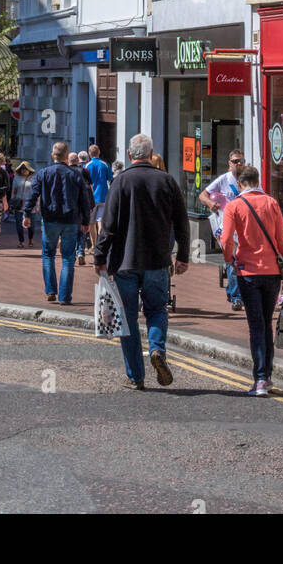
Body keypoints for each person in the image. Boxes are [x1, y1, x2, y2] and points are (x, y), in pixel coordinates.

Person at [93, 134, 190, 391]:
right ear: (151, 152)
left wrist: (99, 256)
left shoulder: (120, 182)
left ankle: (135, 375)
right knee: (157, 310)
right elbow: (182, 223)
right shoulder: (167, 181)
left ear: (129, 154)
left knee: (127, 318)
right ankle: (157, 350)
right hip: (157, 261)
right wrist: (182, 257)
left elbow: (109, 226)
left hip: (125, 263)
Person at [220, 164, 283, 397]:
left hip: (247, 273)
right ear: (257, 181)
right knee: (266, 322)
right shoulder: (272, 203)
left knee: (256, 326)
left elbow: (226, 240)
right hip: (272, 272)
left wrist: (229, 259)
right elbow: (282, 237)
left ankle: (260, 378)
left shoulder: (233, 206)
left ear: (241, 184)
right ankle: (267, 376)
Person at [23, 142, 90, 305]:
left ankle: (51, 291)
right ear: (67, 156)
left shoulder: (43, 173)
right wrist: (86, 221)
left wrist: (27, 213)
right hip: (71, 220)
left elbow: (33, 194)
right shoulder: (76, 175)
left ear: (53, 155)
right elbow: (84, 200)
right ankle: (65, 296)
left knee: (48, 254)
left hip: (50, 219)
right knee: (68, 257)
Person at [198, 149, 246, 312]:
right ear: (229, 163)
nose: (238, 164)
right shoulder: (223, 180)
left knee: (242, 260)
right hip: (227, 227)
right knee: (234, 261)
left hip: (246, 226)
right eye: (235, 161)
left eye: (241, 161)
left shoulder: (248, 179)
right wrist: (211, 204)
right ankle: (236, 297)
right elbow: (202, 195)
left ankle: (236, 292)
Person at [84, 145, 113, 252]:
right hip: (103, 195)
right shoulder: (105, 165)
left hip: (91, 197)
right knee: (101, 220)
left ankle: (93, 244)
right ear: (99, 152)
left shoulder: (87, 165)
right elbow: (110, 179)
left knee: (91, 222)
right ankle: (101, 244)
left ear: (90, 154)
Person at [10, 161, 36, 247]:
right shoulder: (16, 178)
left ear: (29, 170)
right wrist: (12, 202)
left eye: (25, 169)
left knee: (31, 226)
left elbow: (37, 193)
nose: (24, 170)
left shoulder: (34, 179)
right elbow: (13, 191)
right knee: (18, 225)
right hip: (19, 204)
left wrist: (38, 204)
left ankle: (30, 239)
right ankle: (21, 241)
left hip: (30, 205)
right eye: (22, 169)